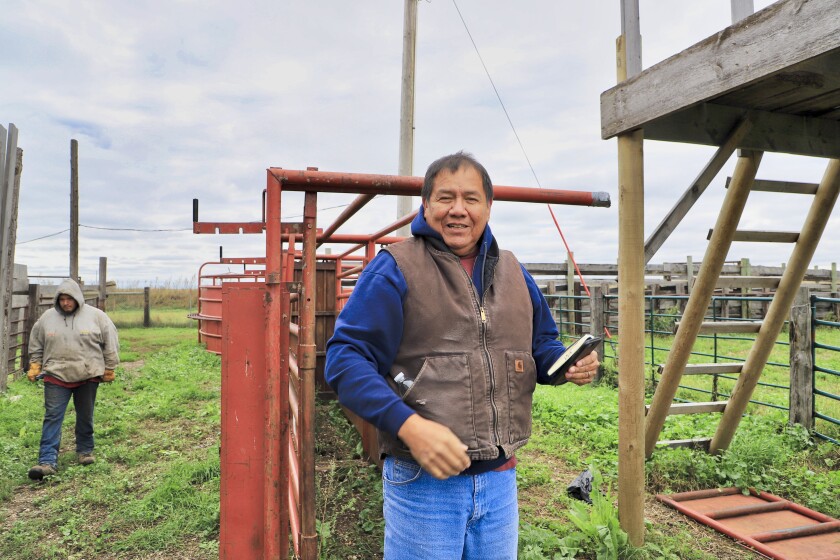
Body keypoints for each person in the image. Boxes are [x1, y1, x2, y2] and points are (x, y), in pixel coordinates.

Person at [325, 151, 600, 559]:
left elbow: (541, 345)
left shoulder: (512, 269)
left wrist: (566, 364)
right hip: (423, 482)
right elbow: (345, 359)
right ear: (426, 206)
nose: (458, 210)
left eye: (471, 199)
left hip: (500, 479)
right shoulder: (395, 268)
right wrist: (409, 426)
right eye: (445, 198)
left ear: (488, 207)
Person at [26, 278, 120, 480]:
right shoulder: (47, 318)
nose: (66, 303)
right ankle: (47, 461)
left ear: (78, 298)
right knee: (53, 416)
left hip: (87, 374)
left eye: (69, 299)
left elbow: (110, 341)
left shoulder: (97, 317)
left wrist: (109, 367)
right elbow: (36, 341)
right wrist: (35, 364)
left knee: (85, 415)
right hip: (56, 374)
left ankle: (85, 451)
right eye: (62, 299)